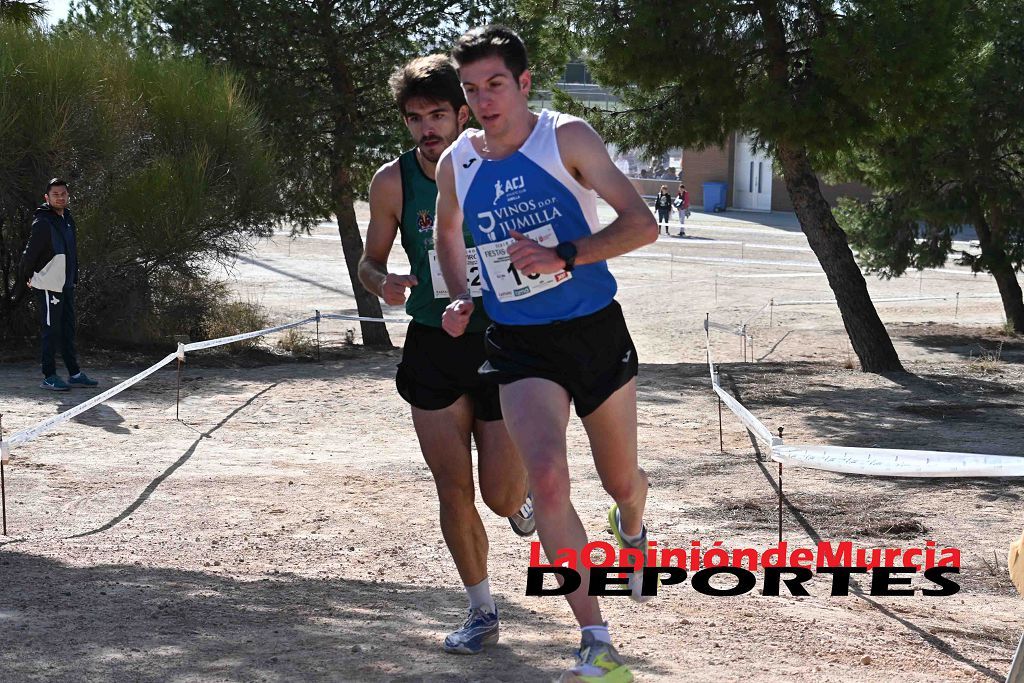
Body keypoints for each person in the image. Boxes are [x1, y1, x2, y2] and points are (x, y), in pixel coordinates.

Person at [435, 25, 659, 683]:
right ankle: (596, 638)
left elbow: (640, 225)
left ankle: (632, 519)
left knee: (622, 480)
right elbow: (451, 232)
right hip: (520, 344)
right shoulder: (458, 163)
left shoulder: (566, 138)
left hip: (594, 330)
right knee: (549, 480)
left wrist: (564, 253)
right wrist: (459, 296)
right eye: (472, 89)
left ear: (524, 83)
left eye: (496, 84)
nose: (484, 100)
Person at [357, 54, 534, 656]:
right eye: (415, 118)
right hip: (433, 344)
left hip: (501, 338)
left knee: (500, 495)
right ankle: (482, 610)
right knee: (451, 490)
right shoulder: (392, 181)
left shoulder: (503, 166)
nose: (427, 128)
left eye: (438, 114)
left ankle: (522, 500)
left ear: (463, 113)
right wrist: (380, 280)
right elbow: (370, 259)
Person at [19, 178, 98, 391]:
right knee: (51, 330)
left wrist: (73, 278)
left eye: (63, 194)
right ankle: (49, 376)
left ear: (68, 196)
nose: (60, 197)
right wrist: (27, 276)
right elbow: (30, 252)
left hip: (66, 284)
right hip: (48, 285)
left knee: (67, 330)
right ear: (47, 197)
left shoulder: (68, 219)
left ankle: (75, 374)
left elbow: (71, 252)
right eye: (55, 194)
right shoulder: (43, 221)